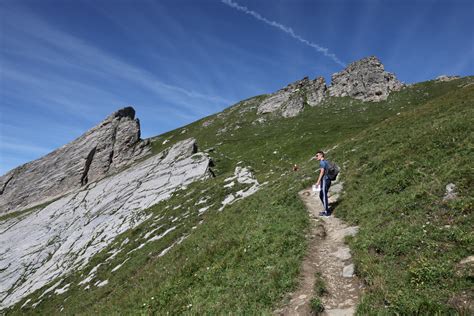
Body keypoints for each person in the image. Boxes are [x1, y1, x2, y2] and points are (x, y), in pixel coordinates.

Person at [315, 150, 331, 216]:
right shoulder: (326, 162)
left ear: (321, 155)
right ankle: (326, 208)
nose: (316, 157)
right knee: (321, 195)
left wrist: (317, 182)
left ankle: (326, 212)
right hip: (327, 180)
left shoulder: (322, 162)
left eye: (317, 155)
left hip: (325, 180)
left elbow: (322, 172)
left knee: (324, 195)